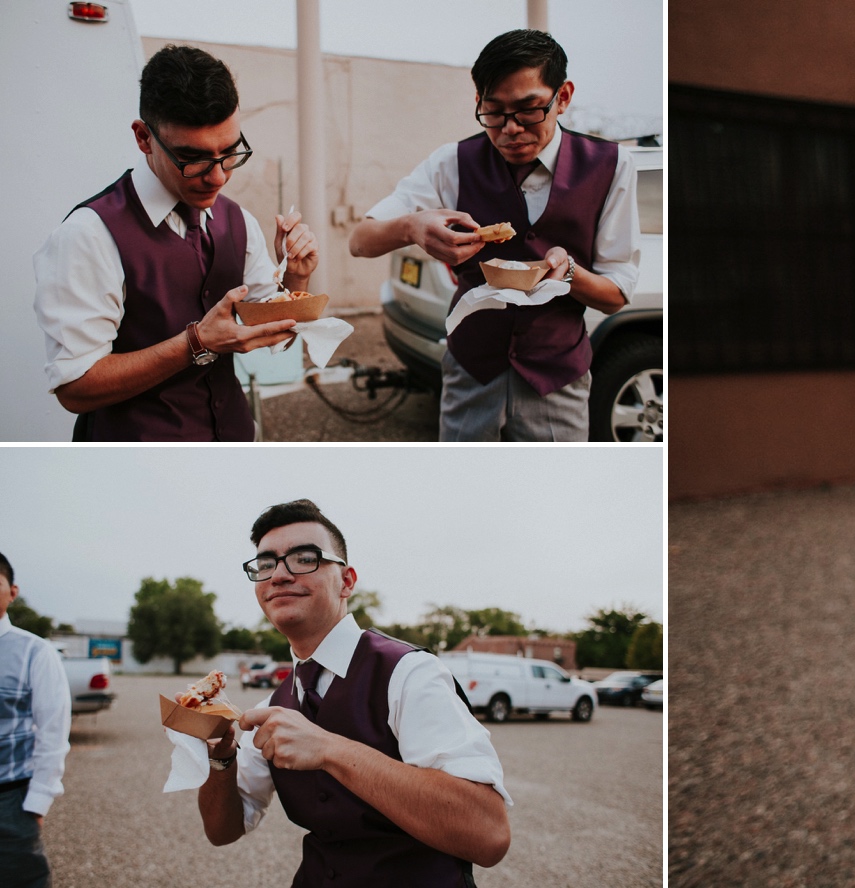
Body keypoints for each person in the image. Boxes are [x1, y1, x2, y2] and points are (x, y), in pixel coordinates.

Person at [197, 500, 510, 886]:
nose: (278, 575)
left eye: (303, 558)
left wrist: (330, 749)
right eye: (265, 564)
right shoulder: (271, 706)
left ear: (346, 582)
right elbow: (222, 831)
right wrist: (221, 757)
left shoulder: (410, 673)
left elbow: (488, 834)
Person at [348, 29, 640, 441]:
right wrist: (411, 227)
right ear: (478, 104)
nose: (510, 129)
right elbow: (360, 240)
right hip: (470, 369)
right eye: (494, 112)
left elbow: (616, 294)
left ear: (564, 96)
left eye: (528, 110)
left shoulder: (611, 166)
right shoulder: (451, 162)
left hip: (557, 379)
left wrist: (570, 272)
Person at [33, 45, 317, 441]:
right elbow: (75, 387)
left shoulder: (239, 221)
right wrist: (195, 342)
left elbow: (276, 336)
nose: (218, 177)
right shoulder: (88, 235)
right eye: (192, 158)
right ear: (144, 138)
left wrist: (297, 283)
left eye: (229, 152)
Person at [0, 553, 70, 888]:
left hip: (9, 800)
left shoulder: (34, 652)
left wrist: (37, 802)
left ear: (12, 592)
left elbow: (53, 732)